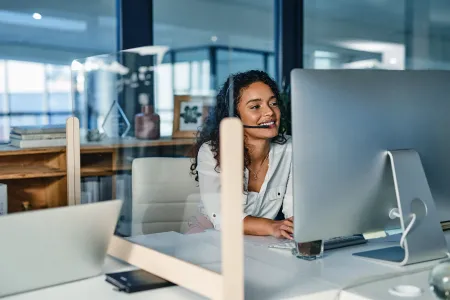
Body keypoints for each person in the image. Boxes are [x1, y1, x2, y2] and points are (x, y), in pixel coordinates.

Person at [188, 70, 294, 240]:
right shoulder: (212, 152)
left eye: (273, 103)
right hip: (211, 238)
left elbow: (293, 211)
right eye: (255, 107)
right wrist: (272, 226)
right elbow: (223, 218)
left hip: (259, 242)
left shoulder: (289, 148)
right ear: (235, 117)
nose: (270, 113)